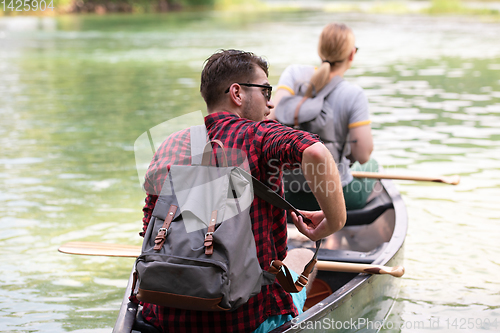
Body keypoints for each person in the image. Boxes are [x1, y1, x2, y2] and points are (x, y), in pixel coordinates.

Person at [140, 49, 346, 332]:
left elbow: (148, 227)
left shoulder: (170, 145)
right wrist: (335, 222)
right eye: (265, 90)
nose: (270, 104)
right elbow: (316, 153)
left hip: (162, 317)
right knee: (302, 253)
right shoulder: (259, 136)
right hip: (242, 320)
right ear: (237, 93)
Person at [270, 23, 378, 211]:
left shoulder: (293, 73)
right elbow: (363, 155)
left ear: (320, 50)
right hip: (331, 198)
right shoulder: (353, 94)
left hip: (285, 193)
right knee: (373, 165)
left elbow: (270, 118)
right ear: (352, 54)